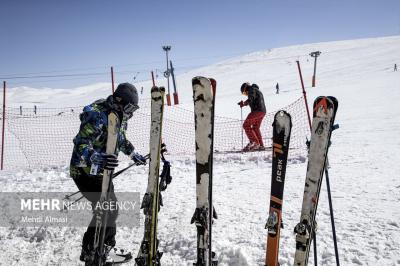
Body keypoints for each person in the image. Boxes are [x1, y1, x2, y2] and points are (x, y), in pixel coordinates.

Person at [69, 82, 147, 263]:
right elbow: (81, 143)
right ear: (119, 100)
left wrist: (132, 153)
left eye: (133, 109)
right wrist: (97, 157)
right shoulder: (96, 114)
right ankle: (93, 248)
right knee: (108, 210)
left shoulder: (119, 116)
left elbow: (119, 139)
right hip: (84, 170)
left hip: (103, 172)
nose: (130, 113)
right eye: (129, 107)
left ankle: (101, 247)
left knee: (109, 209)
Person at [238, 82, 266, 151]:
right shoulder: (255, 90)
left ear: (246, 88)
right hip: (262, 111)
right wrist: (244, 103)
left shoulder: (251, 90)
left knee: (246, 125)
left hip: (256, 111)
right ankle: (260, 145)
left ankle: (255, 143)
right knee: (255, 128)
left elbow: (251, 98)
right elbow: (251, 98)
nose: (246, 94)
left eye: (245, 93)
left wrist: (244, 103)